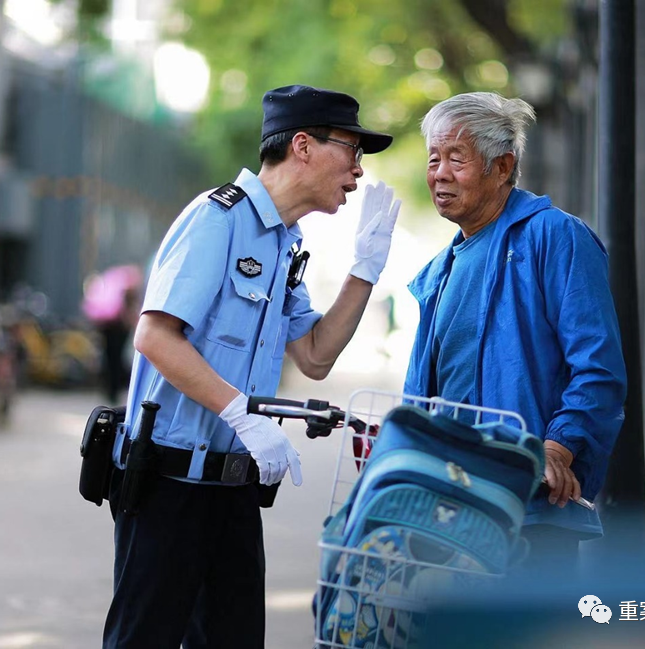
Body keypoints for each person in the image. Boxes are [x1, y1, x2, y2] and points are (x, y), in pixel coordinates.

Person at [103, 84, 401, 648]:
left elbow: (314, 355)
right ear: (303, 146)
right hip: (170, 486)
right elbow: (155, 336)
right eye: (352, 150)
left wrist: (364, 270)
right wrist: (239, 412)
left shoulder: (286, 244)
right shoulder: (217, 219)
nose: (359, 170)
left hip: (235, 490)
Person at [403, 92, 627, 570]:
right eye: (434, 159)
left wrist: (558, 447)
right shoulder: (438, 271)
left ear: (502, 167)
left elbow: (598, 368)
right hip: (452, 507)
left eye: (456, 158)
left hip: (528, 505)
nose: (440, 173)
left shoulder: (555, 236)